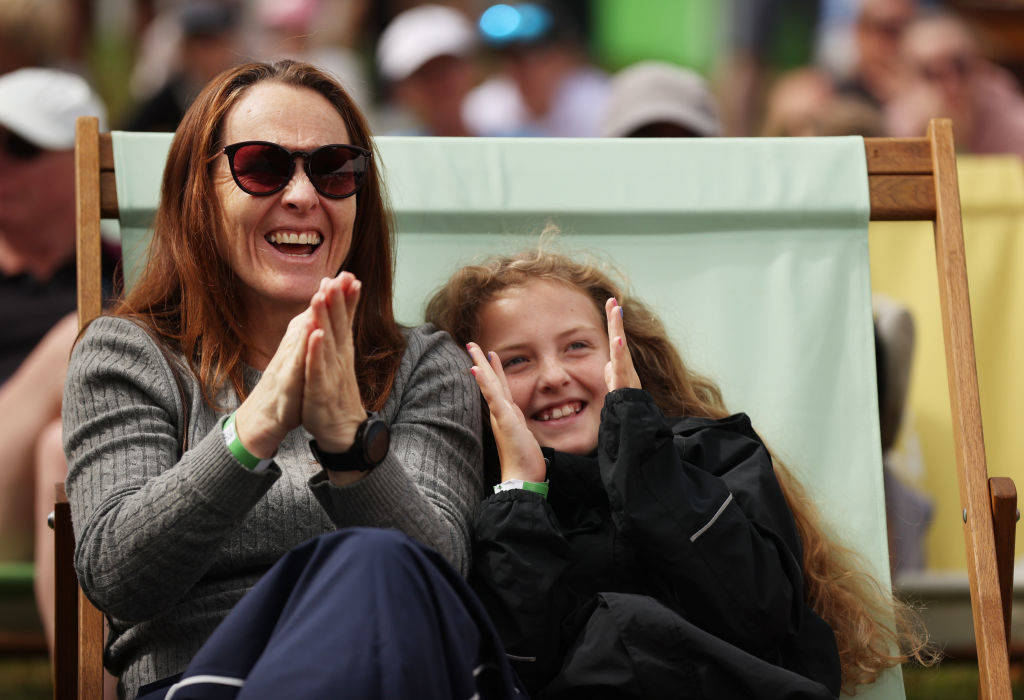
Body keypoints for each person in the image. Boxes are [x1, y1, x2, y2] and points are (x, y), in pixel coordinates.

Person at [62, 60, 495, 699]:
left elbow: (436, 576)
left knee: (378, 563)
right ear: (198, 193)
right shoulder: (131, 354)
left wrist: (350, 443)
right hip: (208, 676)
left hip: (394, 669)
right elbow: (117, 574)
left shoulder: (422, 365)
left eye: (333, 168)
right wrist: (255, 425)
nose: (301, 195)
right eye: (262, 166)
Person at [425, 248, 933, 698]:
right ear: (475, 386)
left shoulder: (714, 453)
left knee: (624, 630)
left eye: (577, 346)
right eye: (516, 361)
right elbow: (517, 670)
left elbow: (762, 612)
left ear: (621, 353)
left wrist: (639, 448)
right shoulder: (481, 506)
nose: (555, 376)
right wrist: (521, 490)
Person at [0, 66, 111, 653]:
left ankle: (86, 689)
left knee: (63, 445)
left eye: (19, 147)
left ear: (82, 163)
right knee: (84, 335)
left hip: (69, 495)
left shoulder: (134, 273)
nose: (0, 163)